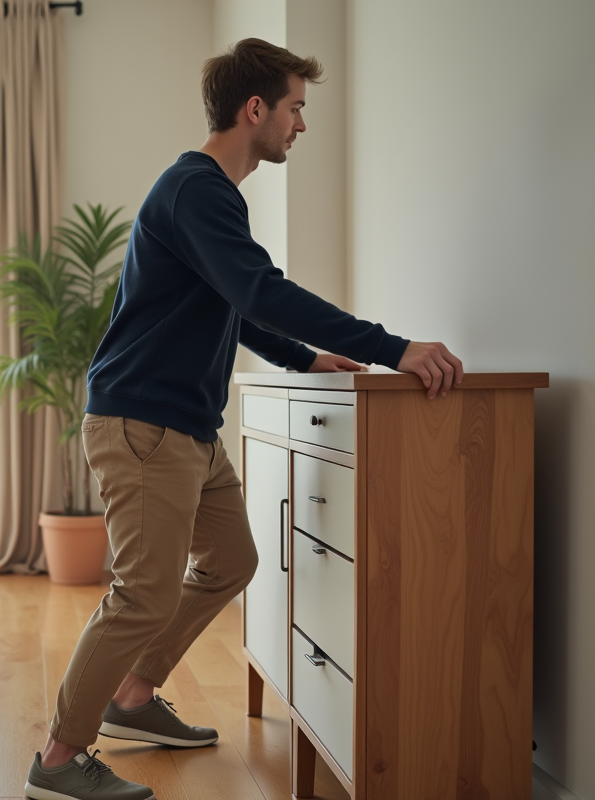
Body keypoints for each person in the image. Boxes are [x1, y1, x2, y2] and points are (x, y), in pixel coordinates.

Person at [23, 38, 463, 800]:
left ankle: (133, 693)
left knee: (231, 559)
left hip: (187, 426)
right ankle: (58, 761)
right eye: (295, 107)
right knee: (142, 593)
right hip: (143, 423)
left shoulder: (212, 195)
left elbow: (239, 304)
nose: (301, 123)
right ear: (255, 109)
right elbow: (262, 292)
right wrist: (394, 348)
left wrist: (304, 360)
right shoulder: (196, 190)